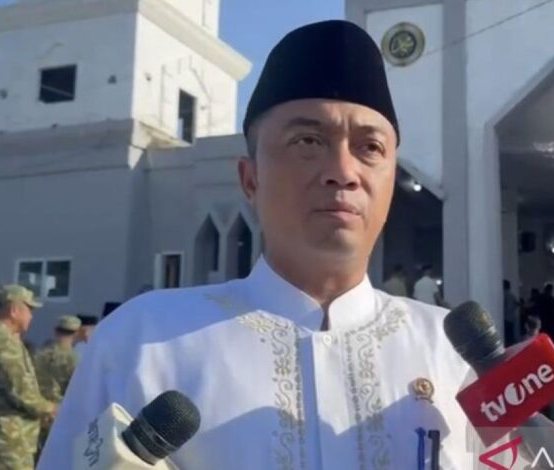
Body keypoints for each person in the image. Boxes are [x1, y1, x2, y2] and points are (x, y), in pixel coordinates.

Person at [39, 21, 479, 469]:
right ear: (250, 180)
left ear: (390, 179)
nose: (343, 172)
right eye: (308, 141)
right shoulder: (141, 342)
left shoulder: (448, 355)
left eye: (370, 147)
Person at [0, 285, 55, 470]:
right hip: (7, 447)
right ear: (14, 310)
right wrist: (52, 409)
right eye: (29, 310)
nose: (31, 316)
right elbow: (22, 393)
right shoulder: (3, 341)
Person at [34, 316, 81, 450]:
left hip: (38, 410)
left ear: (55, 331)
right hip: (59, 414)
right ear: (76, 334)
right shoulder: (74, 359)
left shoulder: (39, 353)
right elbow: (76, 391)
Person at [502, 280, 520, 345]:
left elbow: (507, 307)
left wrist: (505, 312)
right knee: (510, 335)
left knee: (507, 336)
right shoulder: (512, 295)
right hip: (511, 317)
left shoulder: (504, 294)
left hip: (506, 318)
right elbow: (517, 304)